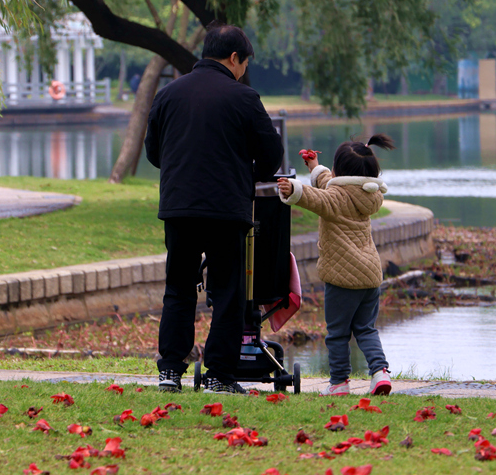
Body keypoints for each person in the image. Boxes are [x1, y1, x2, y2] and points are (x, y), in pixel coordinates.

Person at [144, 24, 284, 394]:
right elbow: (272, 154)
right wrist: (248, 175)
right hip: (226, 209)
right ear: (234, 58)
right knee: (226, 292)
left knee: (178, 288)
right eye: (244, 63)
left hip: (179, 206)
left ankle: (170, 372)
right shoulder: (244, 98)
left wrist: (182, 171)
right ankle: (219, 375)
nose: (243, 71)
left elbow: (154, 153)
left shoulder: (167, 94)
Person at [277, 134, 395, 396]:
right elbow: (328, 185)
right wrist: (315, 167)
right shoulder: (369, 196)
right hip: (371, 274)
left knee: (338, 333)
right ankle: (380, 372)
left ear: (341, 170)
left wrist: (294, 189)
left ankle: (339, 382)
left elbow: (317, 198)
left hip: (343, 277)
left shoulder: (336, 199)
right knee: (366, 328)